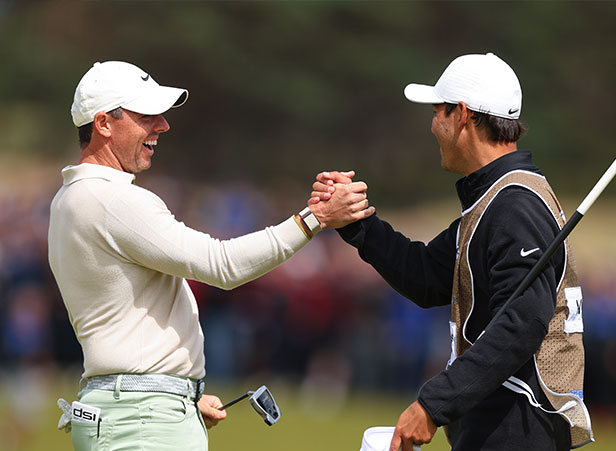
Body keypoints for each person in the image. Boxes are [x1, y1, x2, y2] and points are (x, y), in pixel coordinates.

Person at [48, 60, 374, 451]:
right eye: (146, 115)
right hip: (141, 419)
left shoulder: (70, 197)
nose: (163, 125)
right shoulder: (112, 199)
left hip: (132, 410)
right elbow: (223, 265)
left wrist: (178, 395)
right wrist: (315, 217)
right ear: (103, 123)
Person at [311, 53, 593, 450]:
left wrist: (434, 404)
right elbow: (426, 276)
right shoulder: (495, 199)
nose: (432, 125)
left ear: (461, 114)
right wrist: (356, 223)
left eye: (436, 111)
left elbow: (521, 324)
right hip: (498, 425)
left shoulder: (515, 205)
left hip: (518, 427)